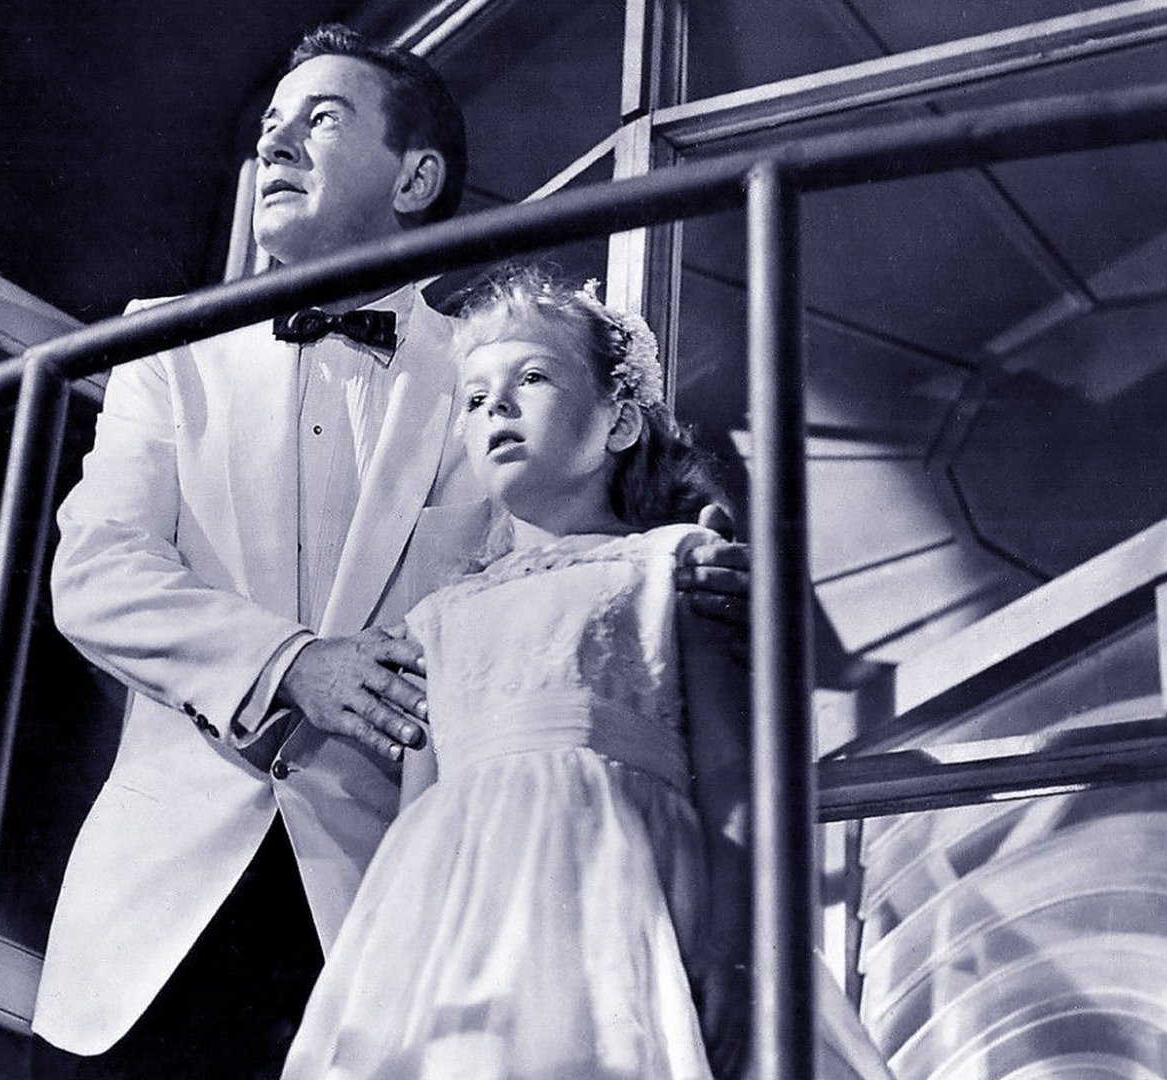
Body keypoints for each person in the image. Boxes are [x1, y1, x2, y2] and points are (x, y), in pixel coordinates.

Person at [33, 25, 749, 1079]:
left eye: (321, 120)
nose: (276, 145)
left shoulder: (488, 379)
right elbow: (97, 571)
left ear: (416, 178)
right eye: (271, 126)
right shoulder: (165, 343)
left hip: (387, 921)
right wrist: (290, 664)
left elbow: (554, 572)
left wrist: (677, 572)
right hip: (150, 923)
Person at [280, 265, 889, 1079]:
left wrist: (731, 954)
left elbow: (735, 781)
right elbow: (420, 815)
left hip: (624, 911)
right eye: (474, 397)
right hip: (472, 948)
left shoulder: (672, 567)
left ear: (620, 422)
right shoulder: (437, 619)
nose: (496, 407)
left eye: (531, 379)